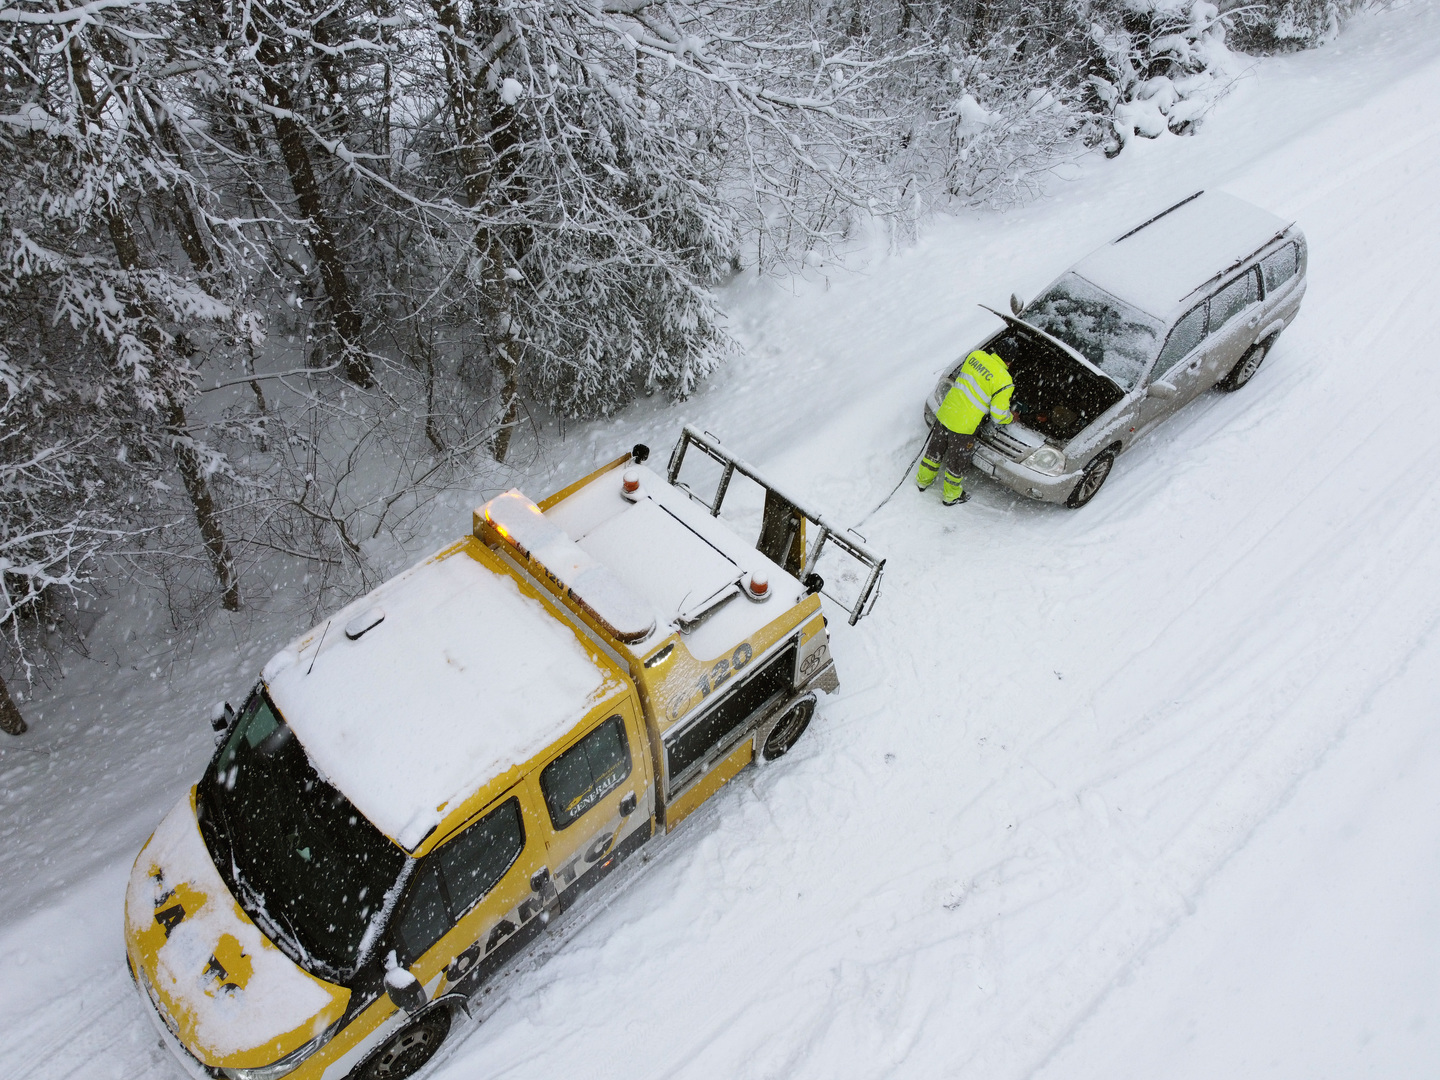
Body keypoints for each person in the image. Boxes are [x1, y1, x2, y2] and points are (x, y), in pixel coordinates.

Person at [917, 348, 1015, 505]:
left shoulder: (975, 356)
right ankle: (951, 496)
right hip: (964, 425)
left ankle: (923, 481)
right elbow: (998, 414)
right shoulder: (1005, 381)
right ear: (1009, 362)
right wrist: (1010, 418)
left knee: (935, 450)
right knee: (957, 462)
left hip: (946, 412)